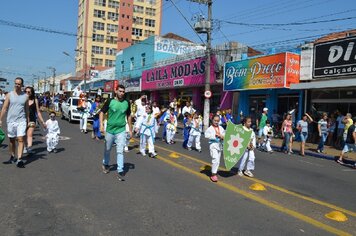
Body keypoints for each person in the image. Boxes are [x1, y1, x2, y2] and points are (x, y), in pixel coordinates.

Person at [99, 84, 132, 181]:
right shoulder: (110, 101)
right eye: (120, 91)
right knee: (108, 149)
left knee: (120, 150)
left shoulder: (127, 103)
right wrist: (101, 125)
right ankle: (105, 163)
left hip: (121, 130)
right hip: (110, 130)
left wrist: (130, 129)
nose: (121, 93)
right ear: (116, 91)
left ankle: (120, 170)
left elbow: (129, 116)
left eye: (123, 92)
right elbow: (101, 112)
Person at [0, 77, 29, 168]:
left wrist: (27, 121)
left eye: (19, 84)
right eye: (16, 83)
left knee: (20, 139)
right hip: (11, 120)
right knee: (12, 140)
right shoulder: (9, 95)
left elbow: (27, 110)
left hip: (21, 120)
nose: (17, 85)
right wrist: (0, 119)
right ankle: (12, 156)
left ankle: (19, 159)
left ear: (22, 85)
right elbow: (4, 108)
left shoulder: (25, 96)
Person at [24, 86, 46, 154]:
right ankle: (25, 147)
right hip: (23, 120)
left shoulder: (35, 100)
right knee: (23, 135)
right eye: (26, 92)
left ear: (32, 93)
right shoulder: (22, 99)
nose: (27, 93)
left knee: (29, 134)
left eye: (29, 92)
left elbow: (38, 112)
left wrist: (42, 122)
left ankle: (29, 148)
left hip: (32, 119)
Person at [204, 114, 225, 182]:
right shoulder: (210, 128)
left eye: (218, 121)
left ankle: (214, 171)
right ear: (212, 120)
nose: (216, 122)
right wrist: (215, 136)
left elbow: (224, 134)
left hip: (220, 145)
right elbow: (206, 135)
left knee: (218, 160)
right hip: (213, 145)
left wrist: (222, 136)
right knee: (215, 159)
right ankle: (213, 174)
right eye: (215, 120)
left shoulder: (221, 128)